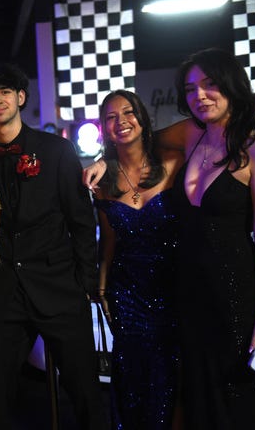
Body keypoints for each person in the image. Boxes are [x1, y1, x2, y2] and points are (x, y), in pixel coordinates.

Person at [84, 48, 255, 429]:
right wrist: (103, 160)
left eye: (210, 85)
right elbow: (134, 137)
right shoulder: (192, 135)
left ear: (232, 86)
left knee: (239, 398)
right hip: (188, 295)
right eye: (191, 89)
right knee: (197, 397)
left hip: (234, 296)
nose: (200, 96)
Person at [0, 63, 106, 430]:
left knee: (84, 389)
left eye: (5, 92)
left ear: (21, 97)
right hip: (2, 292)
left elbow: (81, 221)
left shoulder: (56, 150)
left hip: (59, 286)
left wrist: (84, 283)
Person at [93, 90, 182, 429]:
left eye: (129, 113)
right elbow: (109, 241)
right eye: (111, 118)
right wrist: (102, 290)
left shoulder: (174, 163)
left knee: (171, 374)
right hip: (126, 293)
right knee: (132, 378)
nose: (121, 122)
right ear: (104, 128)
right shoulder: (101, 182)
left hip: (173, 288)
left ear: (143, 119)